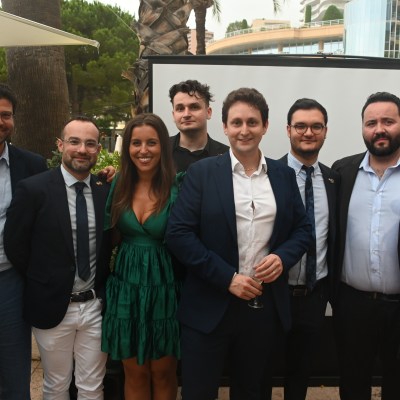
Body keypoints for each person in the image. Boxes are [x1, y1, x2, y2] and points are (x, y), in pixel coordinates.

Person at [166, 88, 312, 400]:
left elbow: (302, 229)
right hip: (208, 307)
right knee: (199, 393)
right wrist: (227, 278)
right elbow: (179, 234)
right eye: (236, 123)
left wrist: (282, 258)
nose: (244, 130)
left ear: (265, 126)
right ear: (224, 126)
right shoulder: (201, 173)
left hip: (262, 308)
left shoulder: (283, 175)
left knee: (253, 392)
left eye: (252, 122)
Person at [4, 116, 111, 399]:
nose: (82, 150)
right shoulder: (33, 189)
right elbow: (15, 244)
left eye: (90, 143)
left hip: (95, 305)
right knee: (56, 384)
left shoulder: (105, 191)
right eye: (74, 141)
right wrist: (43, 278)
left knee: (92, 386)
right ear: (60, 145)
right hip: (52, 304)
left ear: (98, 149)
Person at [101, 113, 181, 400]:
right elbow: (108, 236)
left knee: (163, 372)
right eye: (136, 143)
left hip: (164, 287)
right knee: (134, 372)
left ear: (163, 147)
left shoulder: (178, 186)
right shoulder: (118, 183)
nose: (143, 150)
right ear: (127, 147)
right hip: (126, 287)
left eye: (151, 143)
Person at [266, 98, 339, 400]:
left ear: (325, 131)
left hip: (313, 294)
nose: (308, 132)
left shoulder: (334, 179)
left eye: (316, 126)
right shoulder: (268, 174)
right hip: (273, 292)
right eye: (300, 126)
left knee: (301, 372)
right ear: (288, 130)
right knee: (262, 370)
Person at [332, 91, 400, 400]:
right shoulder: (342, 172)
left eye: (388, 121)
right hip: (353, 305)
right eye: (371, 123)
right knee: (352, 381)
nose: (379, 129)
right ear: (362, 128)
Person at [0, 83, 47, 399]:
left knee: (15, 375)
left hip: (10, 282)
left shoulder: (32, 165)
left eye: (6, 114)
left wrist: (104, 180)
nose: (1, 121)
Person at [169, 79, 229, 172]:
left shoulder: (227, 156)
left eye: (194, 107)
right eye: (180, 109)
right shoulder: (160, 151)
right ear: (174, 115)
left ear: (208, 112)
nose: (186, 114)